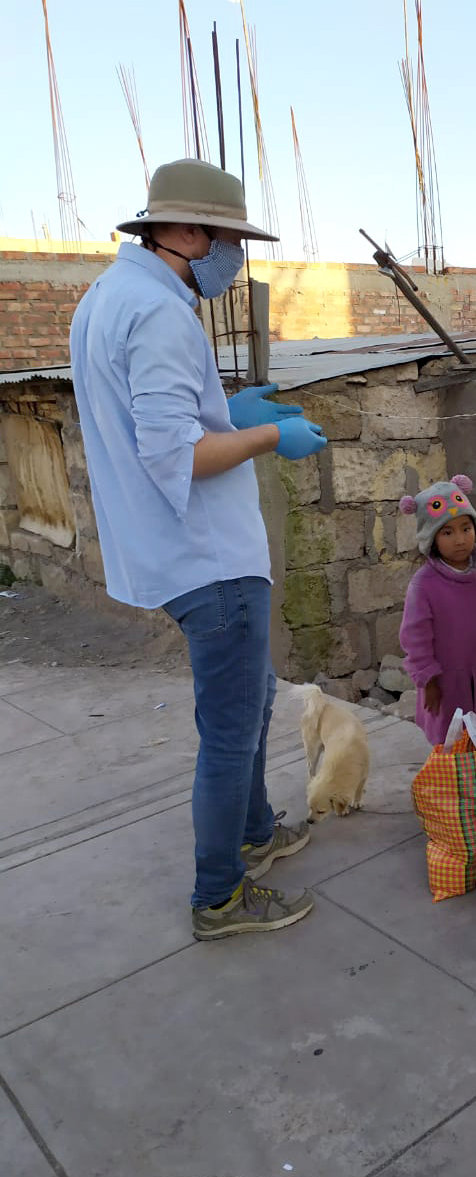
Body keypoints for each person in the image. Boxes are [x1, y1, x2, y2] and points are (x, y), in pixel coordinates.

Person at [69, 158, 329, 941]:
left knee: (247, 706)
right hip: (207, 558)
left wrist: (229, 409)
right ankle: (219, 894)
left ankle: (253, 833)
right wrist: (265, 436)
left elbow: (171, 417)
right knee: (229, 727)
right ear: (185, 232)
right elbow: (174, 454)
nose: (234, 257)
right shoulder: (157, 313)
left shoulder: (113, 298)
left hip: (188, 553)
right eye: (228, 240)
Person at [398, 475, 476, 745]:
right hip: (445, 682)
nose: (460, 539)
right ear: (431, 538)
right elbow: (415, 637)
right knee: (449, 742)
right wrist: (427, 679)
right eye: (447, 532)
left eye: (466, 528)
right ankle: (451, 786)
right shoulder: (424, 584)